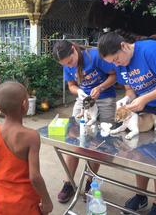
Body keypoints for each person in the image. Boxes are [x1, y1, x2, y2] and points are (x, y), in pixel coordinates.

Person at [98, 31, 156, 215]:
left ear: (124, 46)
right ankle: (141, 195)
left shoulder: (151, 51)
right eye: (113, 62)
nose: (116, 64)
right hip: (146, 105)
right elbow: (130, 88)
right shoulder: (120, 63)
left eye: (117, 59)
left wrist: (145, 98)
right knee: (138, 150)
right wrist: (127, 99)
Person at [52, 40, 116, 203]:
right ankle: (69, 183)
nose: (69, 65)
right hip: (83, 100)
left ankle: (91, 182)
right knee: (75, 140)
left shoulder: (95, 56)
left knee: (98, 144)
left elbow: (114, 76)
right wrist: (79, 91)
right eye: (65, 64)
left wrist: (100, 87)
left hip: (104, 98)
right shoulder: (67, 64)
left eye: (70, 61)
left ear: (74, 50)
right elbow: (71, 85)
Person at [0, 81, 53, 215]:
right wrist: (47, 200)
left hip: (0, 198)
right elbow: (34, 177)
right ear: (24, 104)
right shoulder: (31, 136)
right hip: (25, 200)